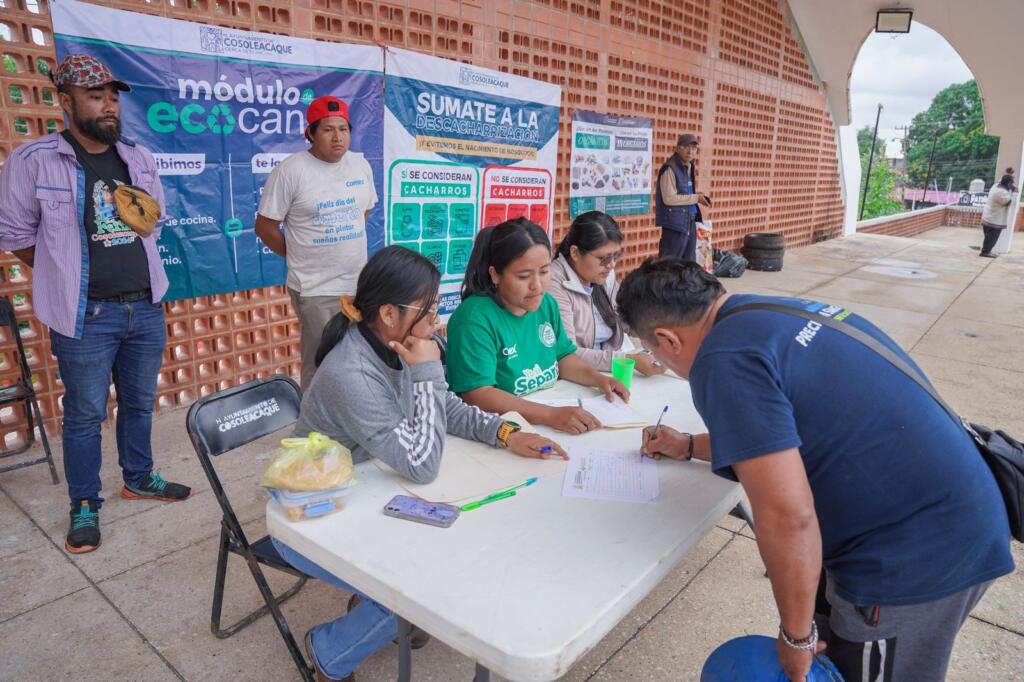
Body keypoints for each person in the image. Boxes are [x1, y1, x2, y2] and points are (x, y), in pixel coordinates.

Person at [616, 258, 1013, 682]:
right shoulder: (771, 314)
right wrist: (689, 445)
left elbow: (788, 516)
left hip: (916, 554)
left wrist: (797, 636)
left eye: (649, 350)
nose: (656, 359)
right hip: (955, 508)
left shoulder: (723, 359)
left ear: (666, 338)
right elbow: (782, 435)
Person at [271, 246, 565, 682]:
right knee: (418, 592)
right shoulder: (352, 373)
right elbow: (420, 464)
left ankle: (378, 610)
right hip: (312, 515)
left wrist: (506, 433)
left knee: (461, 548)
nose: (437, 319)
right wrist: (428, 370)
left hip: (367, 484)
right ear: (389, 313)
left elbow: (441, 406)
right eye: (427, 309)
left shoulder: (398, 342)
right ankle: (327, 653)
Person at [0, 55, 191, 555]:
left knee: (138, 403)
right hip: (86, 314)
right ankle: (85, 502)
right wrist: (63, 271)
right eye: (94, 96)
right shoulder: (34, 160)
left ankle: (139, 477)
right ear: (65, 102)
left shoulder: (138, 157)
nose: (108, 105)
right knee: (85, 414)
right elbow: (16, 234)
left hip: (145, 306)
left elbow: (153, 219)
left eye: (112, 96)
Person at [445, 218, 629, 435]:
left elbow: (563, 357)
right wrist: (550, 415)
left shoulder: (546, 304)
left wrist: (598, 379)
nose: (537, 285)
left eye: (544, 272)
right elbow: (477, 394)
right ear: (495, 274)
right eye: (523, 276)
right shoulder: (474, 319)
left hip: (546, 416)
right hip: (501, 432)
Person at [255, 95, 377, 390]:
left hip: (359, 284)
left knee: (360, 359)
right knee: (322, 364)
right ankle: (314, 429)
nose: (338, 138)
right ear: (310, 133)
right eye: (328, 130)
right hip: (315, 287)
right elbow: (265, 227)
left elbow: (364, 211)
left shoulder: (360, 166)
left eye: (343, 129)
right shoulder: (291, 171)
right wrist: (298, 255)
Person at [548, 210, 663, 376]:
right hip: (576, 376)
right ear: (575, 253)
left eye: (616, 256)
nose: (611, 265)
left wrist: (658, 336)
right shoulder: (555, 283)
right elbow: (568, 354)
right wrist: (628, 360)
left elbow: (627, 320)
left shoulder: (603, 276)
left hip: (606, 370)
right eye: (604, 258)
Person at [655, 133, 711, 261]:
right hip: (675, 224)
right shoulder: (670, 168)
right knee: (669, 264)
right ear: (677, 148)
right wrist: (695, 198)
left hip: (689, 221)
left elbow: (685, 192)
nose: (690, 151)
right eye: (686, 147)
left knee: (688, 263)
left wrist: (699, 196)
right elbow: (668, 198)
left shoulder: (689, 166)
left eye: (693, 148)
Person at [979, 171, 1016, 258]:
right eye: (1012, 183)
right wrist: (1015, 193)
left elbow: (1001, 180)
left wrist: (1009, 174)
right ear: (1009, 183)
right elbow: (1009, 202)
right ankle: (985, 252)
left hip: (988, 217)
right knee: (992, 238)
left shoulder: (995, 186)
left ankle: (986, 250)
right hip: (995, 219)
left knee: (988, 237)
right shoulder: (1001, 192)